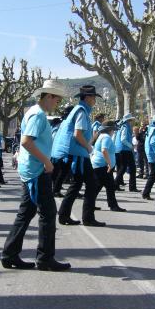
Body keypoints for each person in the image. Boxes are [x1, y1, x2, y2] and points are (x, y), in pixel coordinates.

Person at [1, 79, 71, 271]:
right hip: (36, 170)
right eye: (57, 100)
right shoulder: (38, 115)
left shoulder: (33, 112)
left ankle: (10, 254)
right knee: (48, 214)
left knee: (27, 212)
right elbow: (26, 142)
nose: (58, 104)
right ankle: (45, 259)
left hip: (31, 169)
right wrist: (46, 161)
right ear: (49, 96)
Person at [52, 85, 105, 227]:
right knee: (91, 184)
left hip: (73, 153)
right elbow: (78, 134)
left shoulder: (78, 110)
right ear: (87, 98)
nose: (94, 100)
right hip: (78, 154)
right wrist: (89, 147)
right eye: (93, 97)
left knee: (76, 185)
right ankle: (88, 218)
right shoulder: (82, 111)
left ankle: (64, 215)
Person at [91, 120, 126, 212]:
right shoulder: (106, 137)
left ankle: (91, 204)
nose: (114, 132)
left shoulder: (101, 136)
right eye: (113, 130)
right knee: (109, 187)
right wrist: (110, 164)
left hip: (99, 165)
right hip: (103, 166)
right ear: (110, 130)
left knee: (99, 186)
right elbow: (104, 150)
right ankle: (113, 206)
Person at [52, 104, 74, 197]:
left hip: (59, 151)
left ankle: (56, 190)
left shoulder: (64, 122)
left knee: (61, 172)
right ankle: (55, 190)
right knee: (60, 172)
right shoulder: (65, 123)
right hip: (61, 152)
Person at [114, 113, 139, 192]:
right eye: (131, 119)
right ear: (129, 120)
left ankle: (116, 185)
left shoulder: (121, 126)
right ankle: (131, 187)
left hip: (120, 150)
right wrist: (131, 146)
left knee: (122, 168)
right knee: (130, 168)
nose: (132, 121)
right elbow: (123, 139)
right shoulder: (125, 126)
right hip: (125, 150)